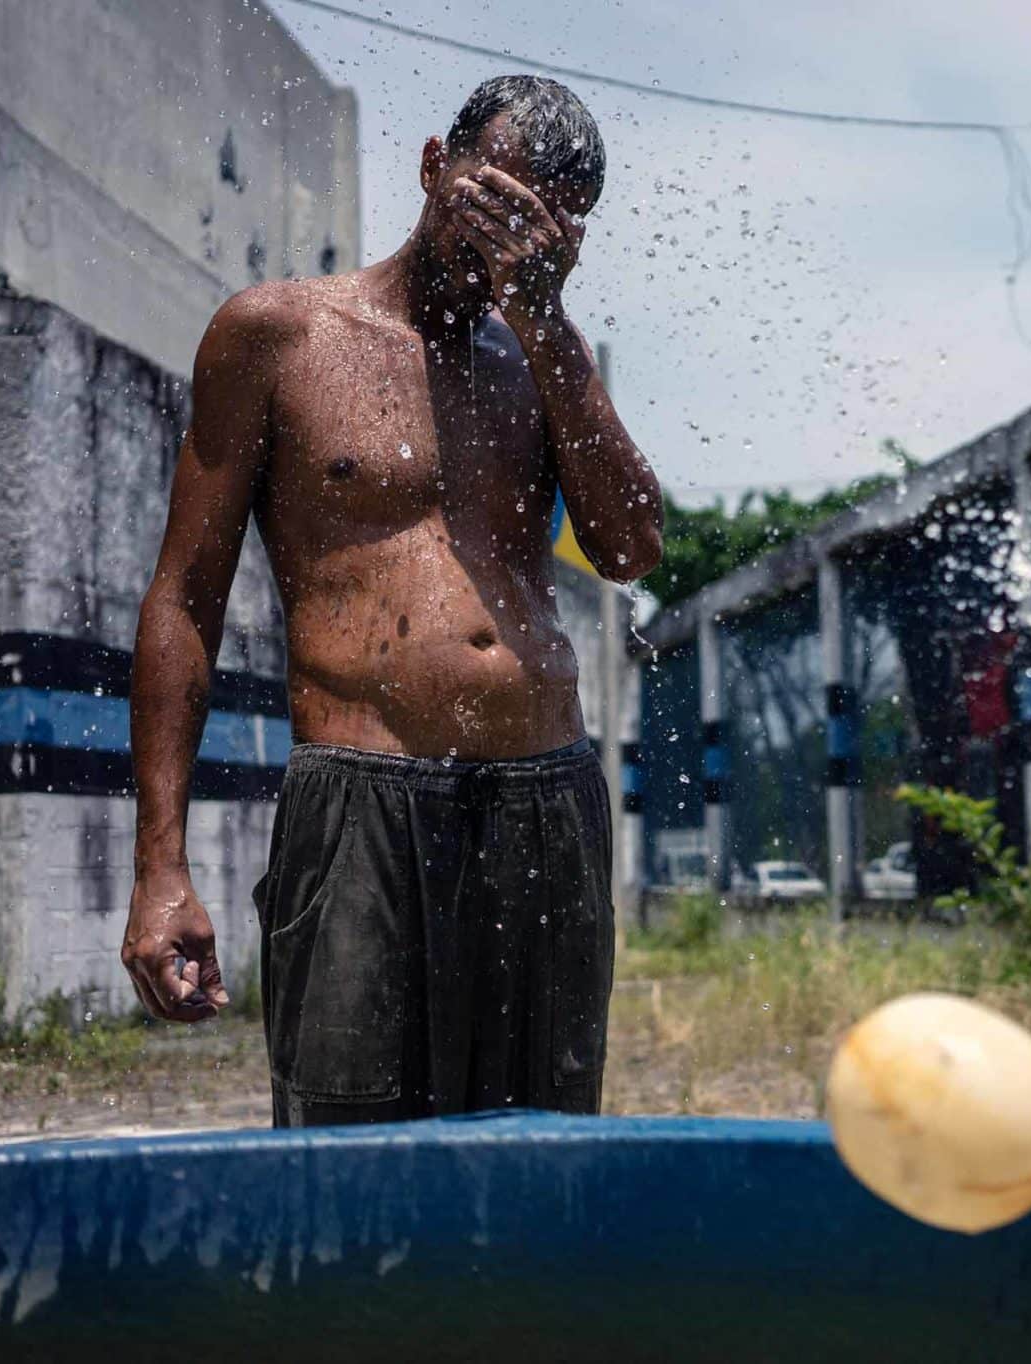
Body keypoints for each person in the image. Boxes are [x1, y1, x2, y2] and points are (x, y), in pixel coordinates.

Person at [122, 76, 661, 1127]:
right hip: (361, 805)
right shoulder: (280, 335)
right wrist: (160, 867)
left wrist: (546, 323)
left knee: (537, 1159)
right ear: (432, 166)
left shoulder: (545, 359)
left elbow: (632, 547)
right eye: (490, 197)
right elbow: (182, 598)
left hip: (542, 802)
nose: (503, 241)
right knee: (345, 1166)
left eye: (540, 223)